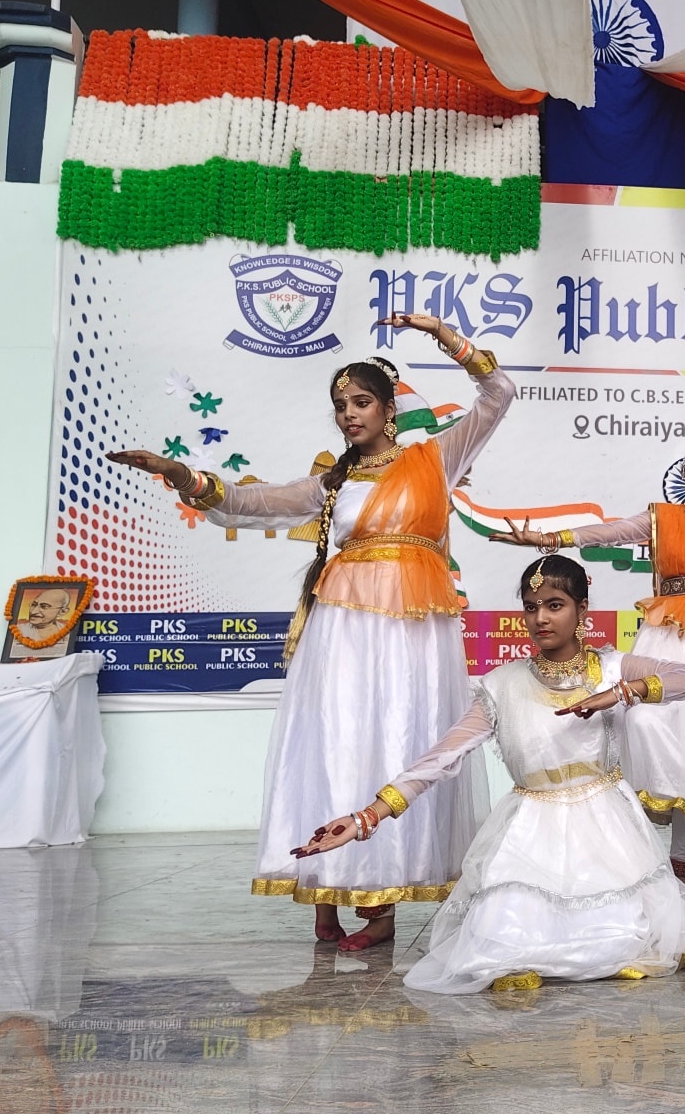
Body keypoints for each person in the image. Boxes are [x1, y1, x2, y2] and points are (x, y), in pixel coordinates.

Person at [108, 312, 512, 951]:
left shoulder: (436, 459)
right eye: (340, 406)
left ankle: (382, 907)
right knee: (336, 743)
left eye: (361, 402)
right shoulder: (335, 482)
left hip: (412, 639)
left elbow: (499, 395)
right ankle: (326, 889)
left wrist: (443, 335)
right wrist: (179, 473)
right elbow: (248, 501)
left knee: (397, 739)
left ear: (387, 408)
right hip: (343, 632)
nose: (349, 415)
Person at [290, 555, 685, 991]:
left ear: (582, 610)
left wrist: (623, 693)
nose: (540, 618)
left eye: (555, 605)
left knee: (623, 935)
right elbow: (439, 758)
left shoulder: (613, 667)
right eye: (531, 607)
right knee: (504, 939)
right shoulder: (501, 685)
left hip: (607, 828)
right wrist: (366, 818)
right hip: (529, 832)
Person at [493, 394, 685, 904]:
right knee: (652, 732)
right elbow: (605, 531)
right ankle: (681, 835)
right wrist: (545, 539)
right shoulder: (662, 519)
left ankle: (679, 867)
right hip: (665, 639)